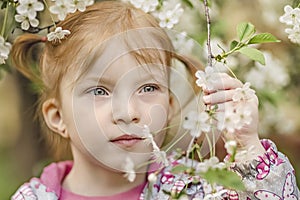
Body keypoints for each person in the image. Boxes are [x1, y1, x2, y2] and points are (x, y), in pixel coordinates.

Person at [10, 1, 299, 199]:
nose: (128, 112)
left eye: (147, 88)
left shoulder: (194, 189)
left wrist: (248, 146)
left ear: (170, 106)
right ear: (58, 116)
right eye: (100, 91)